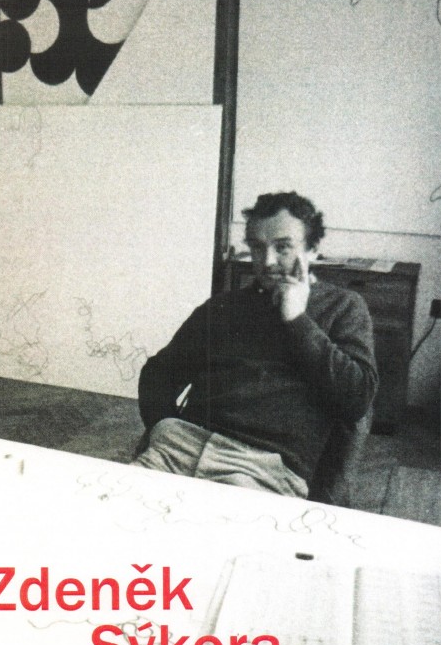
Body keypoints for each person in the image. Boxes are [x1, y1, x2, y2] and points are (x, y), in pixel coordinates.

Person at [132, 191, 378, 498]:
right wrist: (163, 428)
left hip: (261, 470)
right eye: (258, 248)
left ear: (313, 249)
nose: (268, 261)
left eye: (283, 247)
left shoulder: (343, 307)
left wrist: (296, 319)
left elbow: (357, 399)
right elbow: (158, 373)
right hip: (177, 448)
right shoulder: (222, 307)